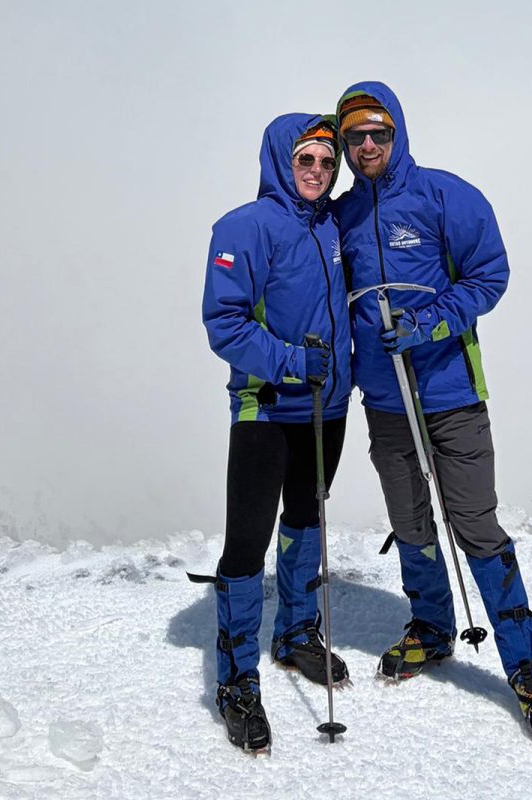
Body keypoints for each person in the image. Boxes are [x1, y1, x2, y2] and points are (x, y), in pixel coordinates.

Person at [332, 82, 532, 741]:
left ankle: (528, 665)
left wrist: (429, 323)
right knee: (411, 523)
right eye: (355, 135)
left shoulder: (446, 196)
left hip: (451, 394)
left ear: (397, 131)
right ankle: (431, 629)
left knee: (476, 528)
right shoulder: (343, 216)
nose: (368, 144)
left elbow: (489, 275)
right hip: (385, 401)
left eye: (378, 131)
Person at [197, 113, 352, 753]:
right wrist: (291, 361)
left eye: (327, 161)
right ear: (280, 161)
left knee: (307, 517)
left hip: (327, 405)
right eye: (305, 159)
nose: (317, 171)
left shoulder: (333, 224)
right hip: (265, 407)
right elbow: (224, 322)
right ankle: (237, 680)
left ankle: (294, 633)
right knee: (247, 541)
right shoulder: (244, 227)